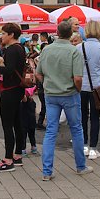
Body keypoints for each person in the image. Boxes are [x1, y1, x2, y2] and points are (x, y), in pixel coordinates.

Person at [37, 20, 92, 180]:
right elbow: (78, 78)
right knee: (76, 129)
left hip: (51, 94)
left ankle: (47, 171)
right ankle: (80, 166)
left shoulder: (47, 50)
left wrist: (47, 83)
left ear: (57, 32)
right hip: (69, 94)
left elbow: (38, 73)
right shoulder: (74, 51)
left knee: (51, 131)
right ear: (71, 34)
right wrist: (77, 89)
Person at [0, 23, 27, 173]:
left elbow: (9, 70)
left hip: (9, 90)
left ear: (11, 35)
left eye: (4, 33)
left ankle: (8, 159)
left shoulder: (11, 49)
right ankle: (17, 155)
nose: (2, 36)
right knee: (17, 123)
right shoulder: (20, 48)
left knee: (7, 125)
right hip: (18, 89)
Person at [79, 20, 100, 160]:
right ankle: (93, 148)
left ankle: (84, 145)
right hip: (97, 87)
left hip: (81, 87)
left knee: (82, 116)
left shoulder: (78, 48)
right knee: (95, 117)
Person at [20, 88, 38, 156]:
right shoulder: (33, 102)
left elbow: (24, 98)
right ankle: (34, 147)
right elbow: (35, 112)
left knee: (23, 136)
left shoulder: (23, 103)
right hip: (32, 121)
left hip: (24, 122)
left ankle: (23, 150)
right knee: (32, 135)